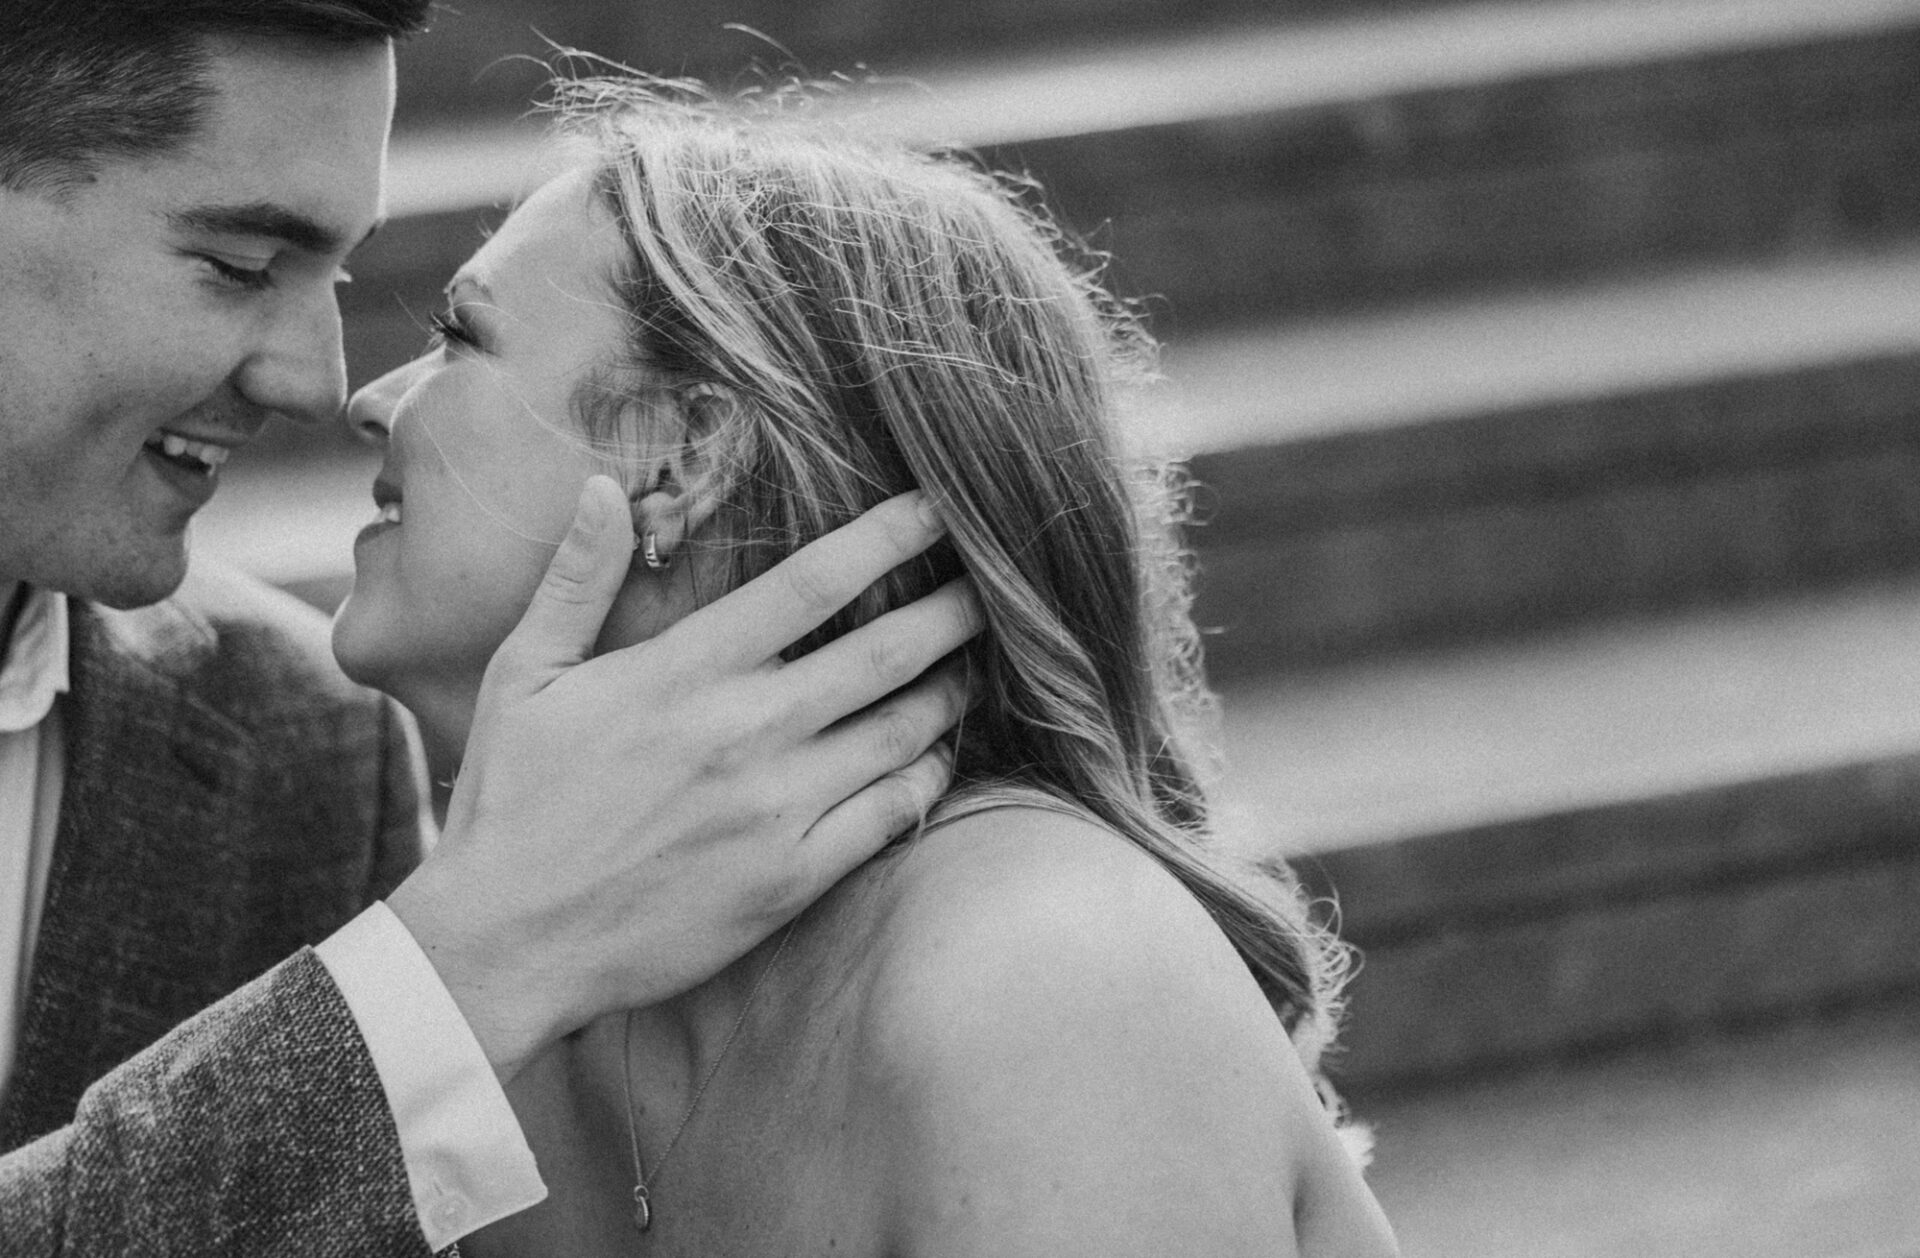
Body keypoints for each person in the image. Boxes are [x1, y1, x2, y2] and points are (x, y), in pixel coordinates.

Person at [330, 78, 1401, 1257]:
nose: (369, 401)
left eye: (460, 337)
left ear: (681, 458)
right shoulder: (526, 1005)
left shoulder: (1045, 971)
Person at [0, 3, 977, 1252]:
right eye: (239, 264)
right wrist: (452, 982)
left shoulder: (308, 748)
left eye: (336, 279)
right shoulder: (473, 914)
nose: (320, 383)